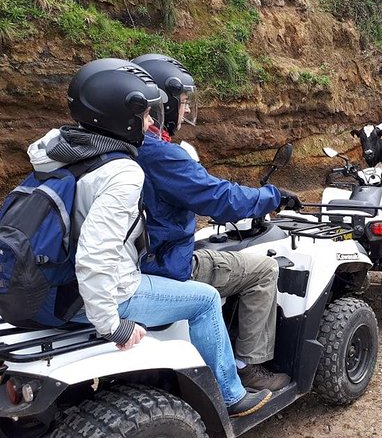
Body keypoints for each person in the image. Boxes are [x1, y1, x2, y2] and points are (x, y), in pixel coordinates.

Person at [26, 58, 270, 417]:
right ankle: (232, 395)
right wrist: (113, 326)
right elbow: (95, 256)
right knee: (205, 299)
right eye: (144, 115)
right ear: (123, 116)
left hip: (45, 289)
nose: (152, 122)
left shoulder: (59, 152)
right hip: (95, 294)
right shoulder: (121, 171)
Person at [131, 53, 301, 391]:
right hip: (166, 267)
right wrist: (272, 196)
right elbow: (219, 198)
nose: (185, 111)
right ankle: (249, 365)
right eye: (180, 103)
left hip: (137, 261)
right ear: (160, 105)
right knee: (263, 270)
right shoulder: (160, 154)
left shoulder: (115, 146)